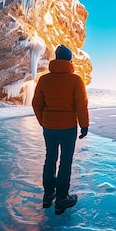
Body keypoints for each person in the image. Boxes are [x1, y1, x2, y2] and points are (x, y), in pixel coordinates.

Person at [32, 44, 89, 215]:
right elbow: (81, 105)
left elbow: (36, 103)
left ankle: (48, 194)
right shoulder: (75, 80)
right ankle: (62, 198)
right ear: (70, 60)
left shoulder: (44, 80)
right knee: (65, 161)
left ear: (56, 59)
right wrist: (84, 125)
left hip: (49, 127)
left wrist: (44, 121)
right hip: (68, 127)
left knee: (50, 158)